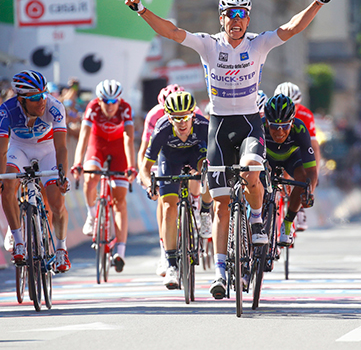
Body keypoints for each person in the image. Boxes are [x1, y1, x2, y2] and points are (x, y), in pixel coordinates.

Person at [125, 0, 334, 299]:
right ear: (221, 18)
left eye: (242, 15)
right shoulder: (209, 45)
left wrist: (318, 2)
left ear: (247, 19)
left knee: (251, 169)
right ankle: (221, 272)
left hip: (250, 123)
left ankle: (258, 221)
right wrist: (142, 10)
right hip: (219, 126)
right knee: (221, 204)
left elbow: (292, 27)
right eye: (230, 15)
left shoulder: (259, 43)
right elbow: (171, 31)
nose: (236, 20)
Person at [139, 91, 213, 289]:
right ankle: (171, 265)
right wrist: (149, 185)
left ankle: (205, 212)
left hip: (196, 154)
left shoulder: (203, 126)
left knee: (207, 170)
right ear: (169, 118)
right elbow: (145, 169)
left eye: (186, 118)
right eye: (177, 118)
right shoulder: (161, 129)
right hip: (170, 160)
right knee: (169, 209)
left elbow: (217, 158)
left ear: (193, 115)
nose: (182, 123)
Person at [0, 70, 71, 272]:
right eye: (36, 97)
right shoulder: (6, 111)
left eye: (44, 94)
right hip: (19, 149)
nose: (42, 101)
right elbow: (2, 150)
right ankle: (19, 241)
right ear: (21, 100)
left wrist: (62, 175)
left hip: (47, 150)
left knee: (57, 202)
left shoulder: (54, 106)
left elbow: (62, 148)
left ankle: (60, 249)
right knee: (7, 186)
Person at [71, 79, 136, 273]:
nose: (110, 106)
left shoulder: (125, 108)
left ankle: (120, 253)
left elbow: (128, 137)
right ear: (99, 101)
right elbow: (83, 136)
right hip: (97, 146)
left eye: (114, 101)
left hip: (118, 150)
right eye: (106, 102)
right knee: (90, 179)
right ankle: (92, 216)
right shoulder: (92, 108)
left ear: (119, 100)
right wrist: (78, 162)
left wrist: (131, 166)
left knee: (120, 202)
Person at [263, 94, 317, 245]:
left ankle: (287, 223)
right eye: (274, 126)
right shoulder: (259, 127)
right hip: (267, 160)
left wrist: (309, 192)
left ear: (292, 123)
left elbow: (312, 170)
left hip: (291, 159)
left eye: (285, 126)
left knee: (303, 178)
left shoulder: (300, 129)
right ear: (267, 122)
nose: (279, 132)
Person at [274, 81, 321, 231]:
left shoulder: (305, 114)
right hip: (278, 147)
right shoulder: (272, 109)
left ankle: (298, 209)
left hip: (298, 147)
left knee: (304, 170)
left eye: (294, 106)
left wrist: (314, 177)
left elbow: (313, 147)